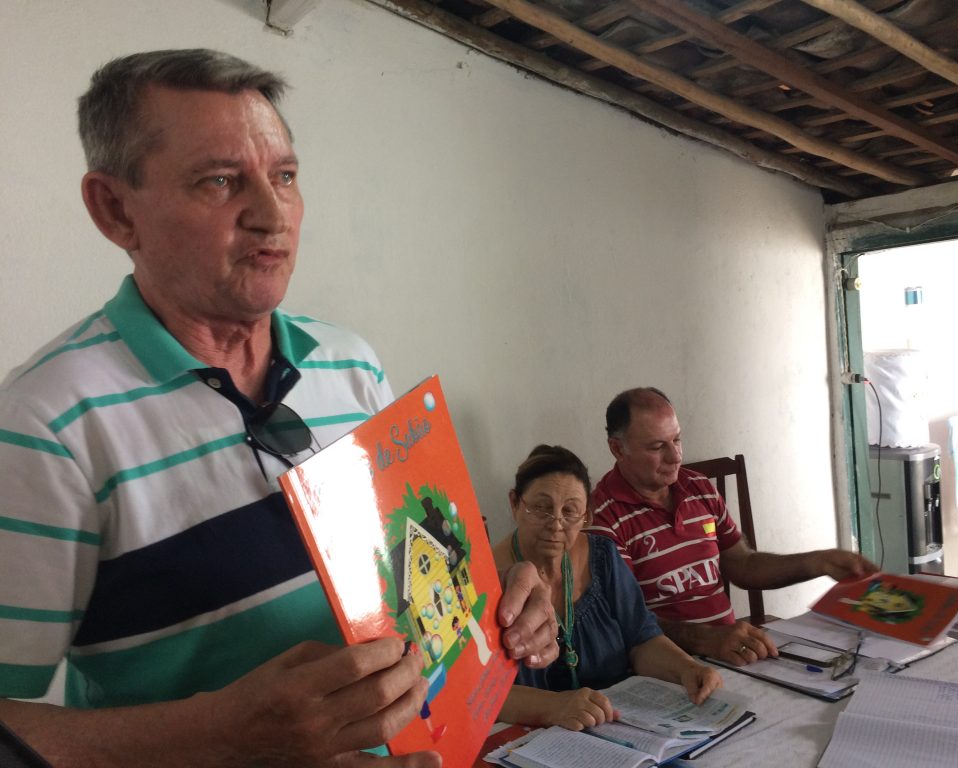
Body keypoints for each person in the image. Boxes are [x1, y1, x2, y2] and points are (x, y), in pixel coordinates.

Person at [0, 49, 559, 767]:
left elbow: (409, 575)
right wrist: (221, 735)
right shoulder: (45, 426)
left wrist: (497, 597)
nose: (273, 215)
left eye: (285, 176)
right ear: (115, 209)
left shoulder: (351, 364)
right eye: (220, 180)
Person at [589, 388, 877, 667]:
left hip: (732, 650)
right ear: (618, 449)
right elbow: (624, 620)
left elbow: (743, 564)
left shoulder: (698, 487)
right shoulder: (602, 518)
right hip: (671, 666)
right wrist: (706, 639)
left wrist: (819, 562)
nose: (675, 456)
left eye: (676, 440)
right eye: (657, 447)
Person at [493, 445, 722, 731]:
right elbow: (475, 693)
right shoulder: (486, 580)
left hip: (613, 723)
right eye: (541, 508)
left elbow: (641, 640)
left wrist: (686, 668)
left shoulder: (602, 558)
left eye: (570, 511)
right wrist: (553, 707)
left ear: (586, 516)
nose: (556, 525)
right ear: (515, 504)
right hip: (527, 738)